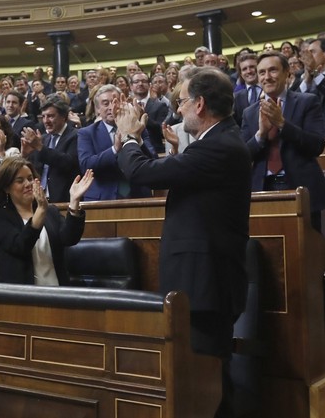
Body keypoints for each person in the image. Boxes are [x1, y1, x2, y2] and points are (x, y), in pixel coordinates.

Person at [114, 68, 251, 417]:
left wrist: (129, 137)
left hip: (207, 285)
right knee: (206, 379)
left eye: (184, 102)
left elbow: (144, 173)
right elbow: (167, 169)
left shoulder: (220, 145)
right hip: (200, 283)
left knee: (207, 381)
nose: (179, 110)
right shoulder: (216, 141)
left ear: (201, 104)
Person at [240, 52, 325, 231]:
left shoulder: (307, 102)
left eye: (273, 70)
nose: (267, 77)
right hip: (262, 189)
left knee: (307, 249)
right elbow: (242, 155)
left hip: (301, 188)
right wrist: (261, 134)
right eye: (262, 72)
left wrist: (282, 124)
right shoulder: (249, 113)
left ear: (287, 73)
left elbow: (316, 145)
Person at [0, 157, 93, 285]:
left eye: (30, 178)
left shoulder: (50, 212)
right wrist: (41, 210)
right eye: (20, 180)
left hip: (57, 290)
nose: (28, 184)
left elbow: (69, 238)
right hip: (22, 295)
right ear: (6, 188)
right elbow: (21, 246)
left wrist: (74, 202)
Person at [77, 85, 156, 201]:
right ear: (98, 109)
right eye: (105, 103)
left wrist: (137, 139)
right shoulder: (86, 133)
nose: (111, 107)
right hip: (102, 197)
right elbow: (86, 165)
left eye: (115, 102)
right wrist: (115, 149)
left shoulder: (138, 128)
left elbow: (152, 160)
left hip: (138, 195)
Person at [21, 95, 80, 203]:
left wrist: (39, 147)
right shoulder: (43, 139)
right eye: (43, 116)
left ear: (63, 116)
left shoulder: (76, 135)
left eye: (50, 116)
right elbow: (33, 171)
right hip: (39, 200)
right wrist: (25, 156)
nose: (45, 121)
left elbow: (68, 163)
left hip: (64, 200)